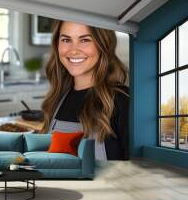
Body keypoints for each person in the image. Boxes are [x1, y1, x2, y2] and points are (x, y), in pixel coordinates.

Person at [40, 20, 129, 160]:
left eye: (85, 40)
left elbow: (138, 170)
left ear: (103, 44)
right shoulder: (57, 97)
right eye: (66, 39)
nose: (73, 50)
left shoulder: (122, 100)